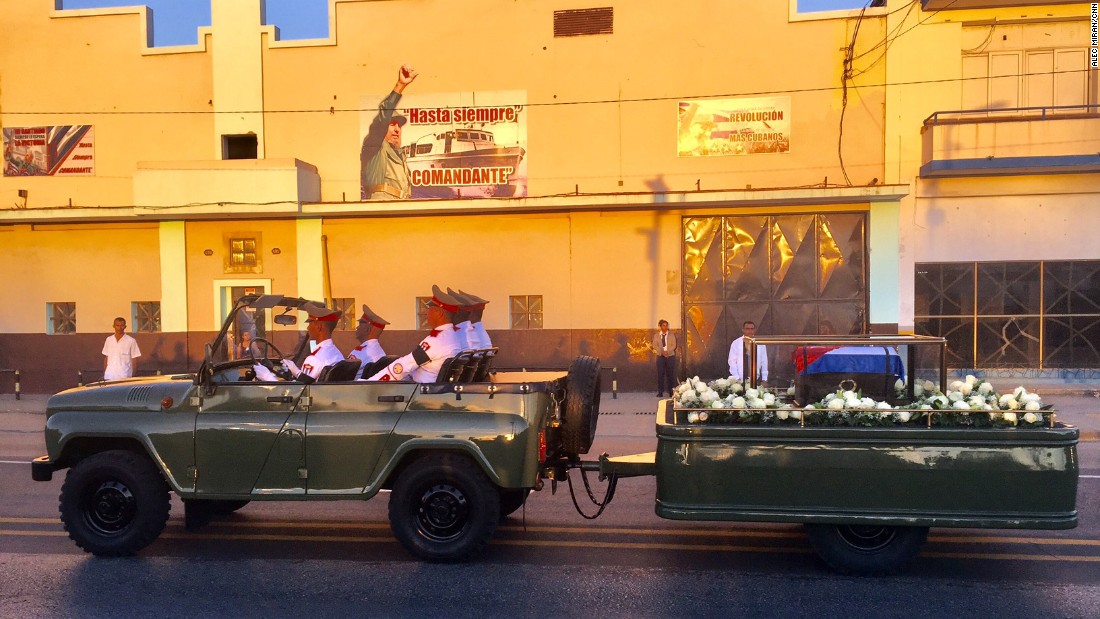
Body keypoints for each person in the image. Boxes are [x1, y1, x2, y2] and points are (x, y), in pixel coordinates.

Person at [365, 286, 463, 382]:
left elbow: (405, 365)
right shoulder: (453, 336)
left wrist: (371, 382)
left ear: (439, 312)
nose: (426, 312)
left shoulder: (437, 341)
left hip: (420, 391)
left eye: (429, 308)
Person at [361, 64, 418, 200]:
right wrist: (400, 85)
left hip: (400, 209)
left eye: (399, 126)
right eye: (392, 124)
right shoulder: (375, 147)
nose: (397, 129)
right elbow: (382, 117)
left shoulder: (400, 155)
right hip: (382, 209)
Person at [253, 308, 344, 383]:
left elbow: (298, 392)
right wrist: (295, 371)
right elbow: (308, 381)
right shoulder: (336, 354)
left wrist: (268, 377)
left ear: (319, 327)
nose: (308, 327)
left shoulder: (315, 358)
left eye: (310, 322)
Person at [348, 303, 389, 379]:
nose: (357, 327)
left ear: (368, 329)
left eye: (360, 324)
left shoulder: (374, 354)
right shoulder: (367, 349)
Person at [728, 320, 768, 384]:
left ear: (754, 330)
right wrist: (736, 378)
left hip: (756, 379)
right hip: (739, 380)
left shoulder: (760, 344)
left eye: (752, 329)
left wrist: (764, 379)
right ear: (743, 330)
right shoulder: (736, 343)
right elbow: (732, 361)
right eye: (747, 329)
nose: (750, 331)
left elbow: (764, 361)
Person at [650, 319, 677, 397]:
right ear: (660, 326)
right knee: (660, 374)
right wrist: (662, 352)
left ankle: (671, 392)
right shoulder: (657, 335)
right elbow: (655, 345)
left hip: (670, 356)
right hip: (660, 356)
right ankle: (660, 392)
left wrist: (667, 352)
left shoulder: (672, 335)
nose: (665, 327)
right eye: (664, 325)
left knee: (670, 374)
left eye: (666, 325)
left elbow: (674, 345)